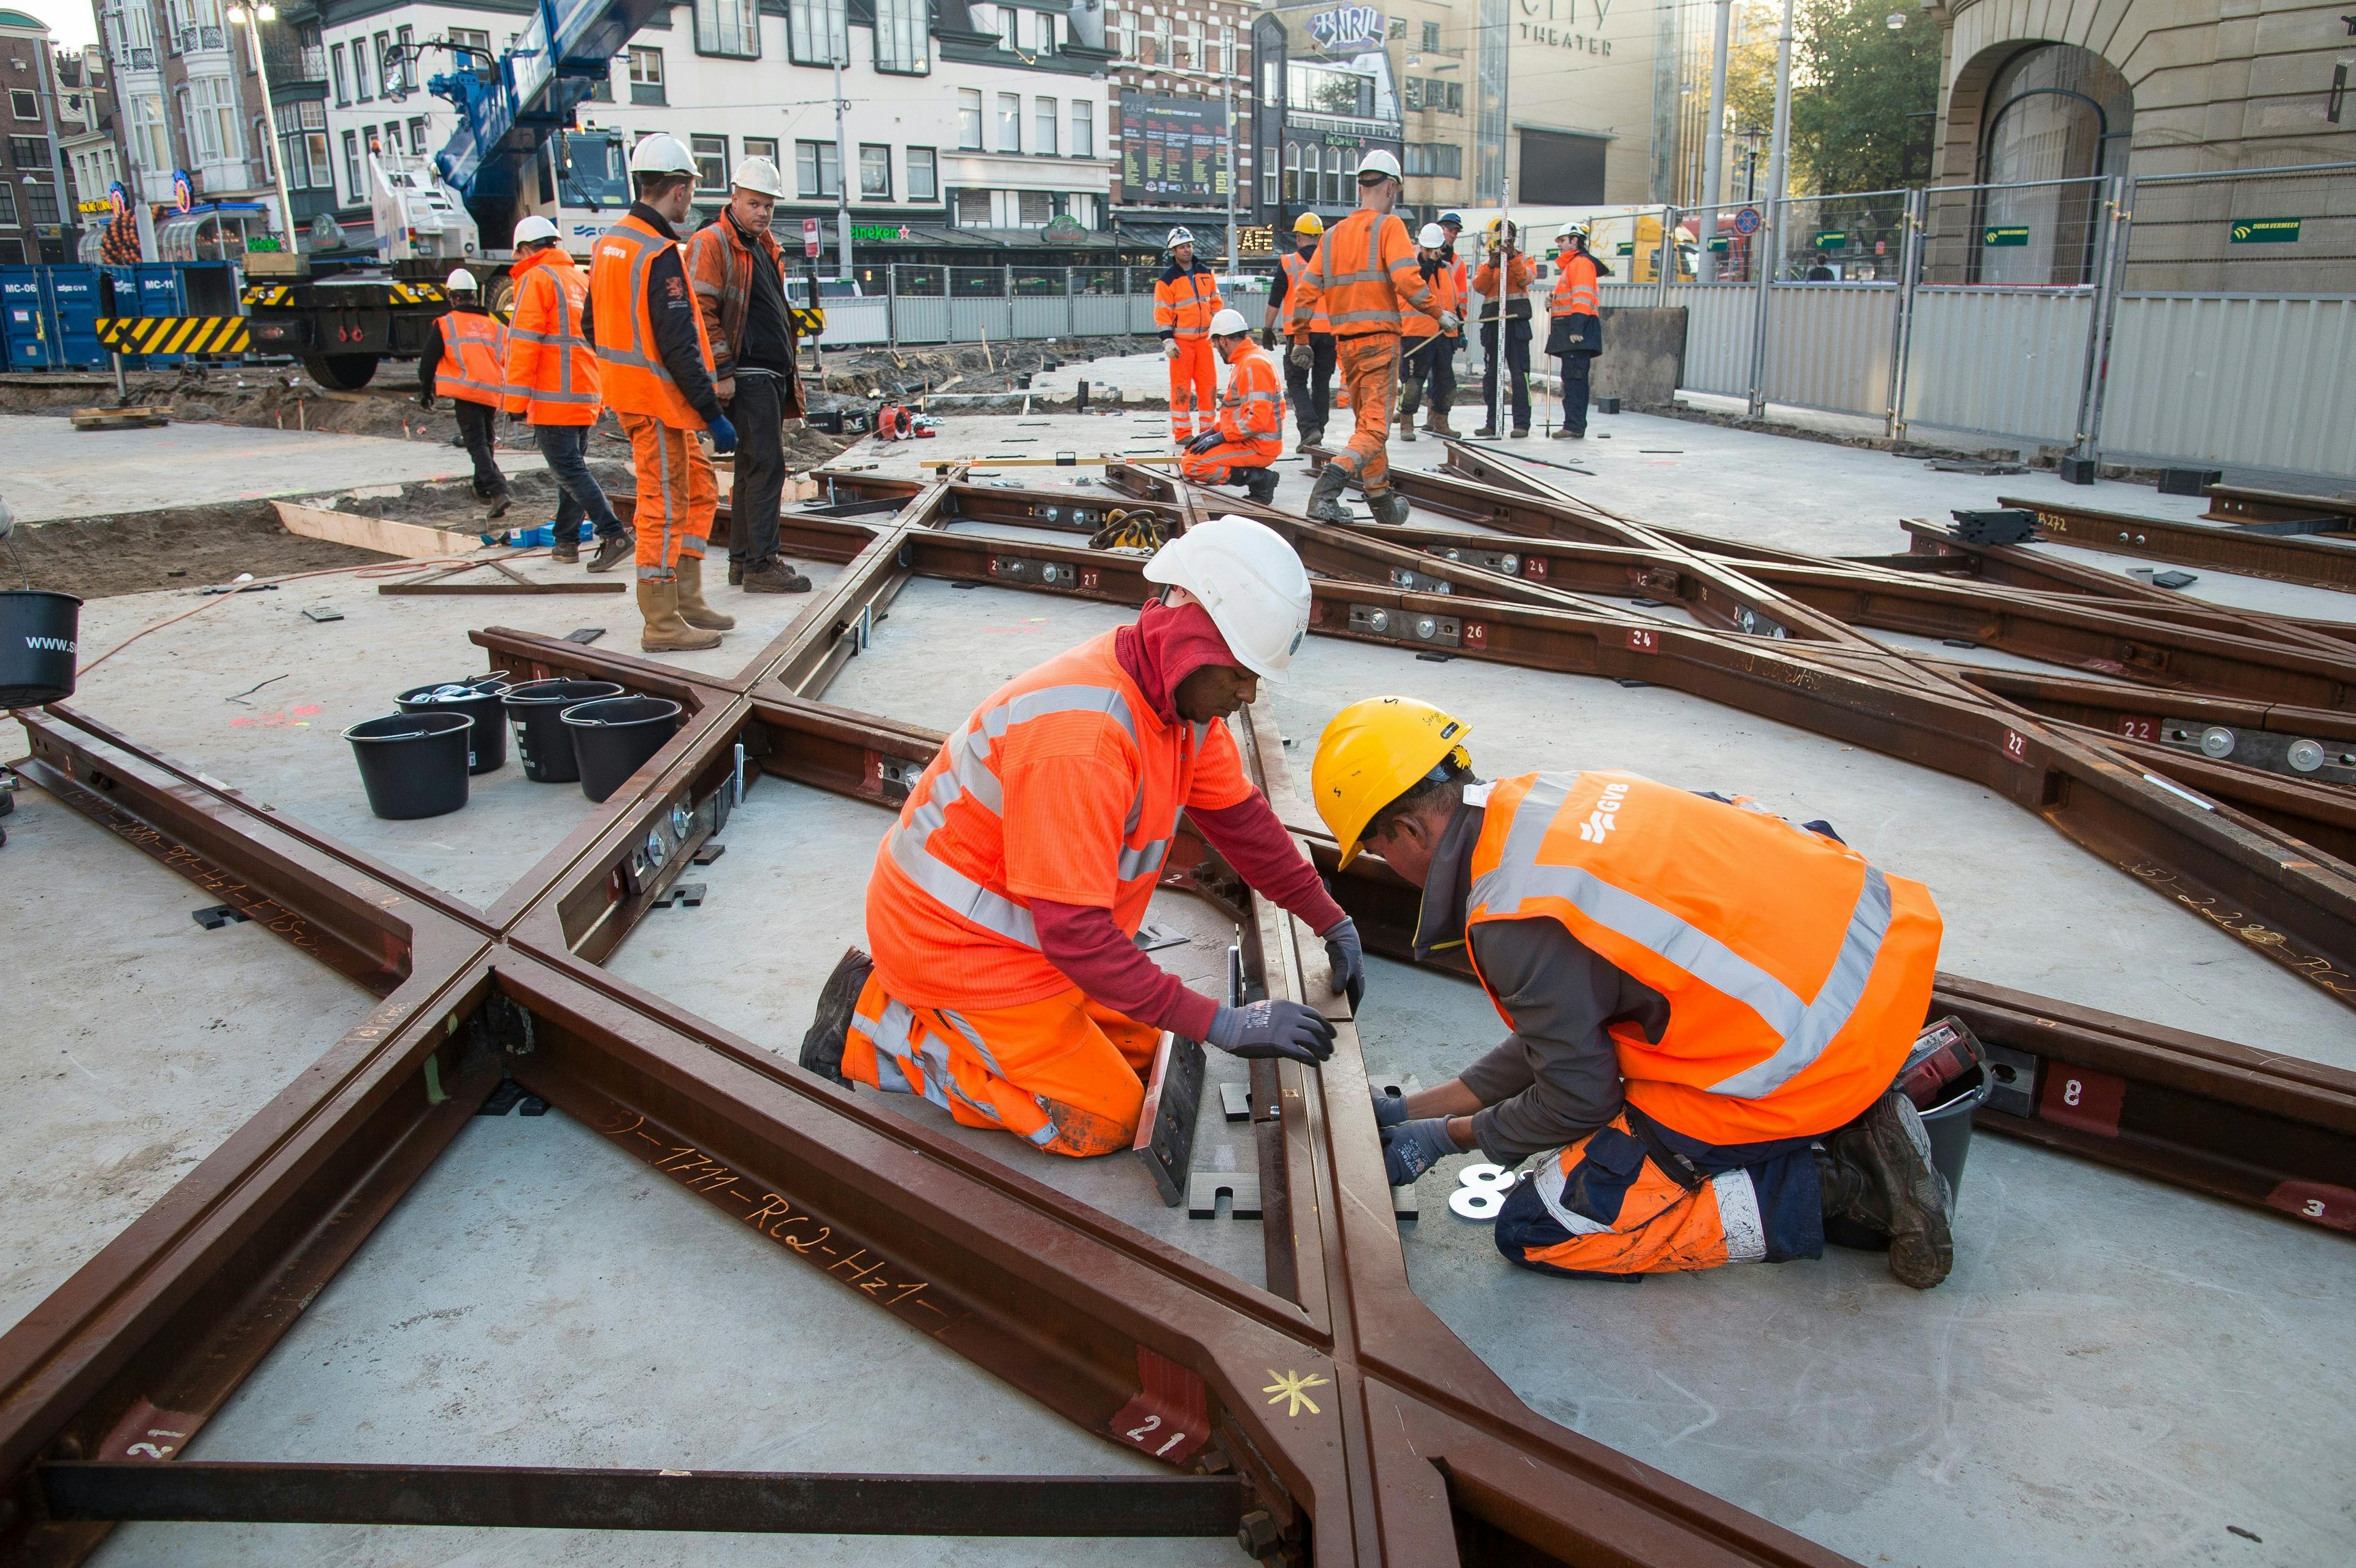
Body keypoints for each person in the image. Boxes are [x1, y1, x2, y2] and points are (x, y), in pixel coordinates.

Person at [1309, 696, 1956, 1289]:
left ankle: (1840, 1184)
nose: (1382, 862)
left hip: (1802, 1056)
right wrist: (1413, 1110)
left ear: (1409, 832)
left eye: (1374, 847)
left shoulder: (1511, 915)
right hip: (1881, 974)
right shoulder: (1553, 799)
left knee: (1543, 1227)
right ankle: (1860, 1108)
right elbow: (1565, 1027)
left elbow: (1579, 1098)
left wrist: (1444, 1139)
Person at [800, 517, 1366, 1156]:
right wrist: (1226, 1024)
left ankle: (951, 1022)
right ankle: (877, 1027)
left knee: (1159, 1052)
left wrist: (1329, 917)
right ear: (1192, 642)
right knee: (1100, 1119)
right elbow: (1075, 932)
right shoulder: (1084, 740)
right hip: (958, 952)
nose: (1249, 693)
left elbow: (1243, 824)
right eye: (1239, 673)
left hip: (1037, 948)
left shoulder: (1177, 704)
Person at [587, 131, 741, 653]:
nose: (691, 199)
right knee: (663, 504)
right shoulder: (657, 253)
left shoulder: (610, 244)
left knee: (697, 491)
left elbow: (592, 325)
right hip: (655, 402)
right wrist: (711, 414)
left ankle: (686, 600)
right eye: (691, 189)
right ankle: (661, 621)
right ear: (678, 190)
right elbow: (679, 346)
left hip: (638, 396)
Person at [1291, 151, 1455, 528]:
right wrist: (1438, 313)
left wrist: (1301, 338)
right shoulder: (1389, 226)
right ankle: (1327, 490)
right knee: (1376, 428)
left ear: (1361, 185)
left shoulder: (1330, 237)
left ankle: (1382, 502)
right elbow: (1407, 280)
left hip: (1346, 347)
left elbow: (1305, 293)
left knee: (1368, 425)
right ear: (1392, 187)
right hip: (1380, 343)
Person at [687, 154, 820, 597]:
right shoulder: (714, 242)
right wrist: (722, 370)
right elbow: (701, 312)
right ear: (735, 197)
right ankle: (762, 563)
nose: (763, 212)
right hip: (746, 375)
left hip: (766, 374)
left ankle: (744, 561)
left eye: (769, 205)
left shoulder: (762, 246)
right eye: (755, 203)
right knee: (766, 466)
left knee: (751, 466)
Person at [500, 215, 632, 572]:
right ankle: (567, 541)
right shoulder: (580, 279)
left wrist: (514, 402)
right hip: (585, 393)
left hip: (552, 397)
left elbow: (524, 344)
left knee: (570, 472)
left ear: (527, 249)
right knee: (571, 471)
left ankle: (614, 533)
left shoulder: (535, 279)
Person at [417, 268, 512, 518]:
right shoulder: (494, 326)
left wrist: (426, 392)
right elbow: (508, 359)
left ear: (453, 298)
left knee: (476, 443)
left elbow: (428, 362)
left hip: (467, 392)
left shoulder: (447, 324)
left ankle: (497, 489)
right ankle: (482, 488)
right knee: (486, 442)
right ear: (475, 296)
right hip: (492, 392)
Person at [1179, 309, 1284, 502]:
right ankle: (1256, 478)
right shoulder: (1246, 361)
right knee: (1189, 454)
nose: (1218, 351)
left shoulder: (1253, 365)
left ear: (1223, 341)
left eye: (1217, 345)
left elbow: (1256, 420)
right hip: (1249, 440)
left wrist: (1220, 437)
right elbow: (1237, 414)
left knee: (1193, 466)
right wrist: (1211, 432)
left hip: (1259, 445)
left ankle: (1261, 480)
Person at [1260, 212, 1333, 452]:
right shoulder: (1330, 262)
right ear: (1320, 237)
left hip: (1300, 333)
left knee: (1297, 381)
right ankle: (1318, 431)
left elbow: (1275, 299)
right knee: (1322, 382)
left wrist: (1268, 328)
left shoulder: (1288, 263)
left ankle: (1310, 429)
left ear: (1299, 237)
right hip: (1329, 333)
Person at [1154, 227, 1223, 445]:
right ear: (1173, 250)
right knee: (1181, 388)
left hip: (1204, 341)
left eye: (1189, 246)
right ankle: (1183, 433)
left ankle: (1208, 429)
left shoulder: (1205, 273)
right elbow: (1163, 311)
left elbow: (1215, 303)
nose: (1187, 250)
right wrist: (1168, 339)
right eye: (1182, 247)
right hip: (1182, 343)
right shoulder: (1167, 280)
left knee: (1209, 386)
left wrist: (1218, 329)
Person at [1395, 223, 1459, 445]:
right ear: (1421, 246)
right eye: (1429, 249)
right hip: (1416, 333)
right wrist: (1430, 263)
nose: (1433, 253)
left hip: (1443, 334)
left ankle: (1441, 422)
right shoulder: (1412, 268)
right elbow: (1418, 285)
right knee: (1412, 383)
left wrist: (1457, 329)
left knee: (1446, 383)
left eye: (1436, 249)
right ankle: (1406, 422)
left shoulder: (1447, 268)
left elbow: (1452, 299)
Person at [1471, 220, 1534, 439]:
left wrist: (1512, 259)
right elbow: (1479, 287)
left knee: (1519, 375)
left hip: (1516, 323)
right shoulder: (1487, 264)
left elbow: (1526, 278)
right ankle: (1492, 423)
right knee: (1492, 376)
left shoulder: (1524, 259)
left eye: (1508, 236)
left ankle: (1521, 424)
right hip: (1492, 323)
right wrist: (1492, 264)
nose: (1504, 240)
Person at [1544, 223, 1604, 440]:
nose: (1559, 245)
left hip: (1576, 331)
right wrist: (1552, 301)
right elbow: (1572, 297)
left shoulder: (1580, 263)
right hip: (1573, 330)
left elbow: (1582, 296)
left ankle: (1574, 425)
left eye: (1562, 240)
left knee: (1575, 381)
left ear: (1574, 241)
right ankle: (1574, 424)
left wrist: (1577, 327)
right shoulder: (1574, 265)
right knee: (1572, 380)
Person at [1428, 213, 1469, 438]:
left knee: (1444, 378)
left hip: (1447, 329)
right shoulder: (1420, 253)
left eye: (1455, 232)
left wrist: (1459, 328)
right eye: (1449, 230)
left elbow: (1459, 298)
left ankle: (1438, 421)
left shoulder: (1458, 263)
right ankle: (1414, 418)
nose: (1452, 235)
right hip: (1423, 327)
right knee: (1416, 378)